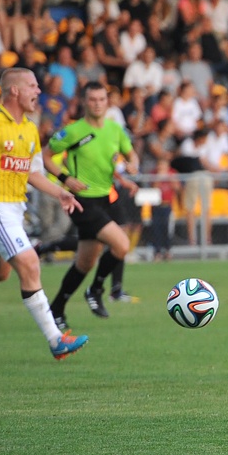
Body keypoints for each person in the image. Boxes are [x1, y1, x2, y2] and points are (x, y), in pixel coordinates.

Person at [0, 68, 88, 360]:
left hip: (15, 208)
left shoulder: (30, 128)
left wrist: (59, 192)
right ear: (14, 90)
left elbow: (33, 173)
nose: (38, 91)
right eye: (33, 86)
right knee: (30, 264)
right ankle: (55, 340)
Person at [42, 82, 139, 330]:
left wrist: (132, 166)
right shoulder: (73, 131)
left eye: (101, 99)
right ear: (85, 102)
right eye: (92, 99)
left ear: (108, 102)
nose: (97, 104)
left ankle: (56, 310)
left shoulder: (115, 130)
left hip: (105, 199)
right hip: (81, 200)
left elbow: (131, 155)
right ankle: (96, 290)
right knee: (121, 244)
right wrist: (65, 178)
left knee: (85, 262)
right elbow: (45, 156)